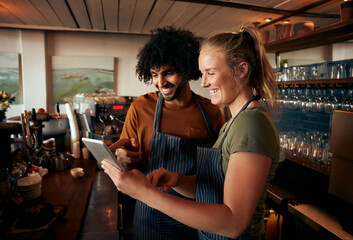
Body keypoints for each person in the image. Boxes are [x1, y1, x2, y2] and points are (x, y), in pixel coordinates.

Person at [103, 25, 279, 240]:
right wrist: (177, 180)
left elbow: (233, 222)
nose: (204, 83)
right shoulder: (233, 123)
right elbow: (215, 187)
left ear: (242, 70)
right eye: (203, 73)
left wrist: (146, 193)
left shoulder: (250, 124)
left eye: (210, 73)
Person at [108, 26, 224, 240]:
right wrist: (123, 161)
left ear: (185, 68)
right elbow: (128, 171)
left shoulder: (212, 112)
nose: (160, 82)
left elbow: (218, 174)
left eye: (168, 72)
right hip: (149, 222)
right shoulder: (140, 109)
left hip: (197, 221)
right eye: (154, 75)